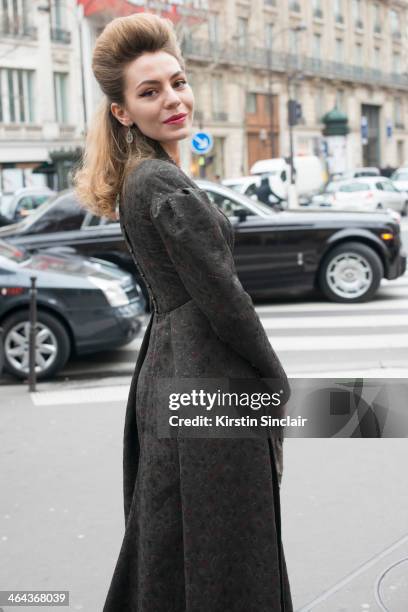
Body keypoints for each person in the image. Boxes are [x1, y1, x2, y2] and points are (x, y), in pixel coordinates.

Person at [73, 12, 293, 612]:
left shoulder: (145, 176)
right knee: (223, 540)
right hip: (207, 373)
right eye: (150, 91)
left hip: (174, 365)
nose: (173, 99)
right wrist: (274, 381)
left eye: (178, 81)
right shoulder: (162, 185)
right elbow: (227, 301)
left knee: (175, 532)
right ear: (123, 112)